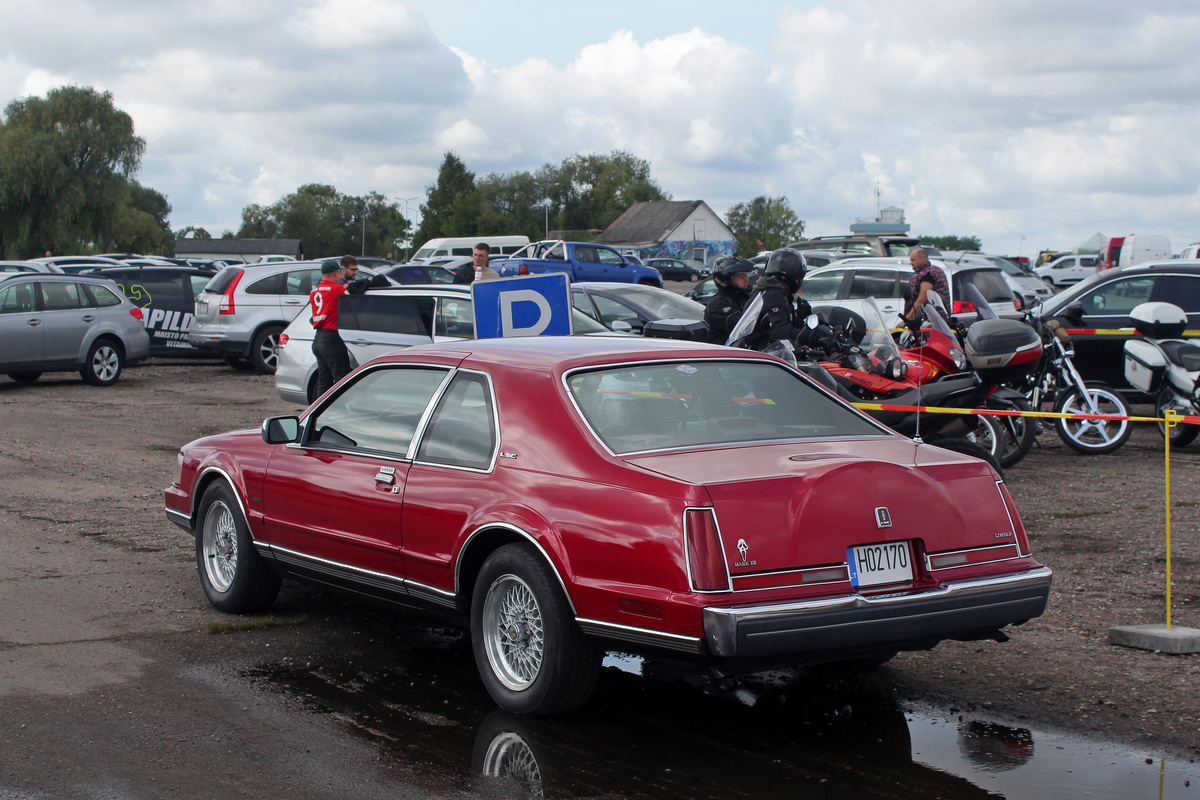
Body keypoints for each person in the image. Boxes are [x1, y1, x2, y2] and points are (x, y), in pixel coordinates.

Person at [737, 248, 820, 351]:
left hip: (764, 354)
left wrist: (800, 318)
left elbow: (781, 321)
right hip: (762, 356)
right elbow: (779, 330)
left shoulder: (771, 292)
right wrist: (814, 338)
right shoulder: (773, 295)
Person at [310, 259, 353, 397]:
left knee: (324, 381)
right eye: (339, 272)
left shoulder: (314, 291)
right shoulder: (337, 289)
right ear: (335, 273)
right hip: (331, 338)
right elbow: (351, 300)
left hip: (318, 338)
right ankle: (339, 412)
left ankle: (320, 411)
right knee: (342, 379)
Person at [703, 255, 756, 343]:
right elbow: (743, 326)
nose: (746, 280)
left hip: (743, 351)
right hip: (723, 353)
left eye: (746, 276)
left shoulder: (743, 298)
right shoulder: (718, 303)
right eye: (741, 277)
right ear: (727, 279)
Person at [903, 248, 951, 325]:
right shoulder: (928, 272)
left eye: (913, 260)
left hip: (931, 320)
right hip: (932, 320)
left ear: (922, 258)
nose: (911, 263)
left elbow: (922, 299)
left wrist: (907, 318)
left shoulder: (928, 273)